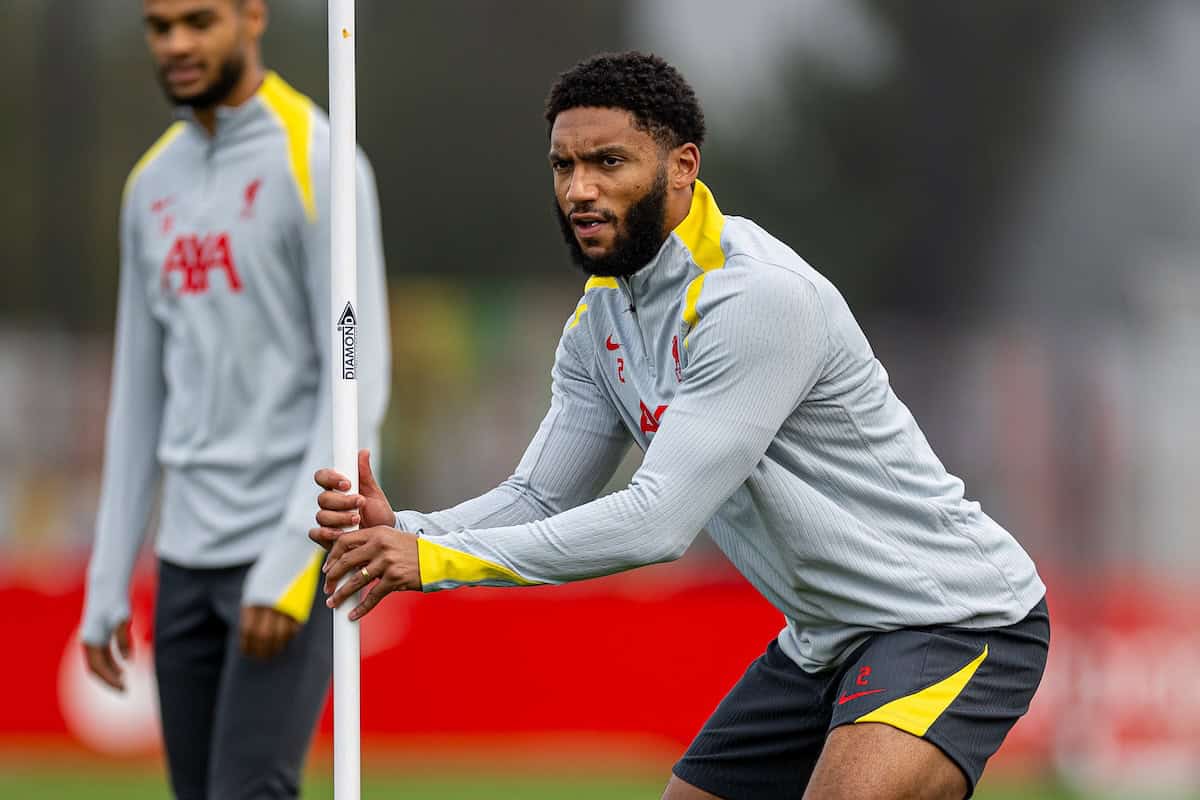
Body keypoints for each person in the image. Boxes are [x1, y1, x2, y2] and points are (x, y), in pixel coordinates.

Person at [311, 51, 1047, 800]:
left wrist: (433, 561)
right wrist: (406, 530)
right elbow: (539, 497)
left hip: (952, 615)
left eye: (608, 162)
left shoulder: (755, 297)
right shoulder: (600, 321)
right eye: (563, 166)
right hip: (825, 639)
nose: (580, 190)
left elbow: (656, 522)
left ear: (681, 165)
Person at [80, 1, 390, 798]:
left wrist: (292, 558)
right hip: (182, 563)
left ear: (252, 16)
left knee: (249, 791)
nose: (176, 43)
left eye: (198, 20)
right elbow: (138, 399)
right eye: (159, 26)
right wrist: (108, 577)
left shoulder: (320, 160)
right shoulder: (149, 184)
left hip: (279, 549)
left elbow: (360, 376)